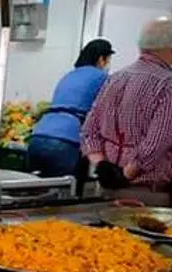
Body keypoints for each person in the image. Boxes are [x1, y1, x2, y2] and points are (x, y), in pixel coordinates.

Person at [82, 17, 172, 207]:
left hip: (105, 188)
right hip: (145, 194)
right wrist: (125, 174)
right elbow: (157, 142)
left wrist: (102, 165)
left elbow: (89, 130)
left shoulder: (115, 78)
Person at [27, 39, 115, 178]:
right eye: (108, 60)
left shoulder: (69, 75)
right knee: (64, 188)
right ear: (101, 59)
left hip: (38, 137)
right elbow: (108, 111)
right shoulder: (102, 77)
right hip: (66, 141)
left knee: (36, 186)